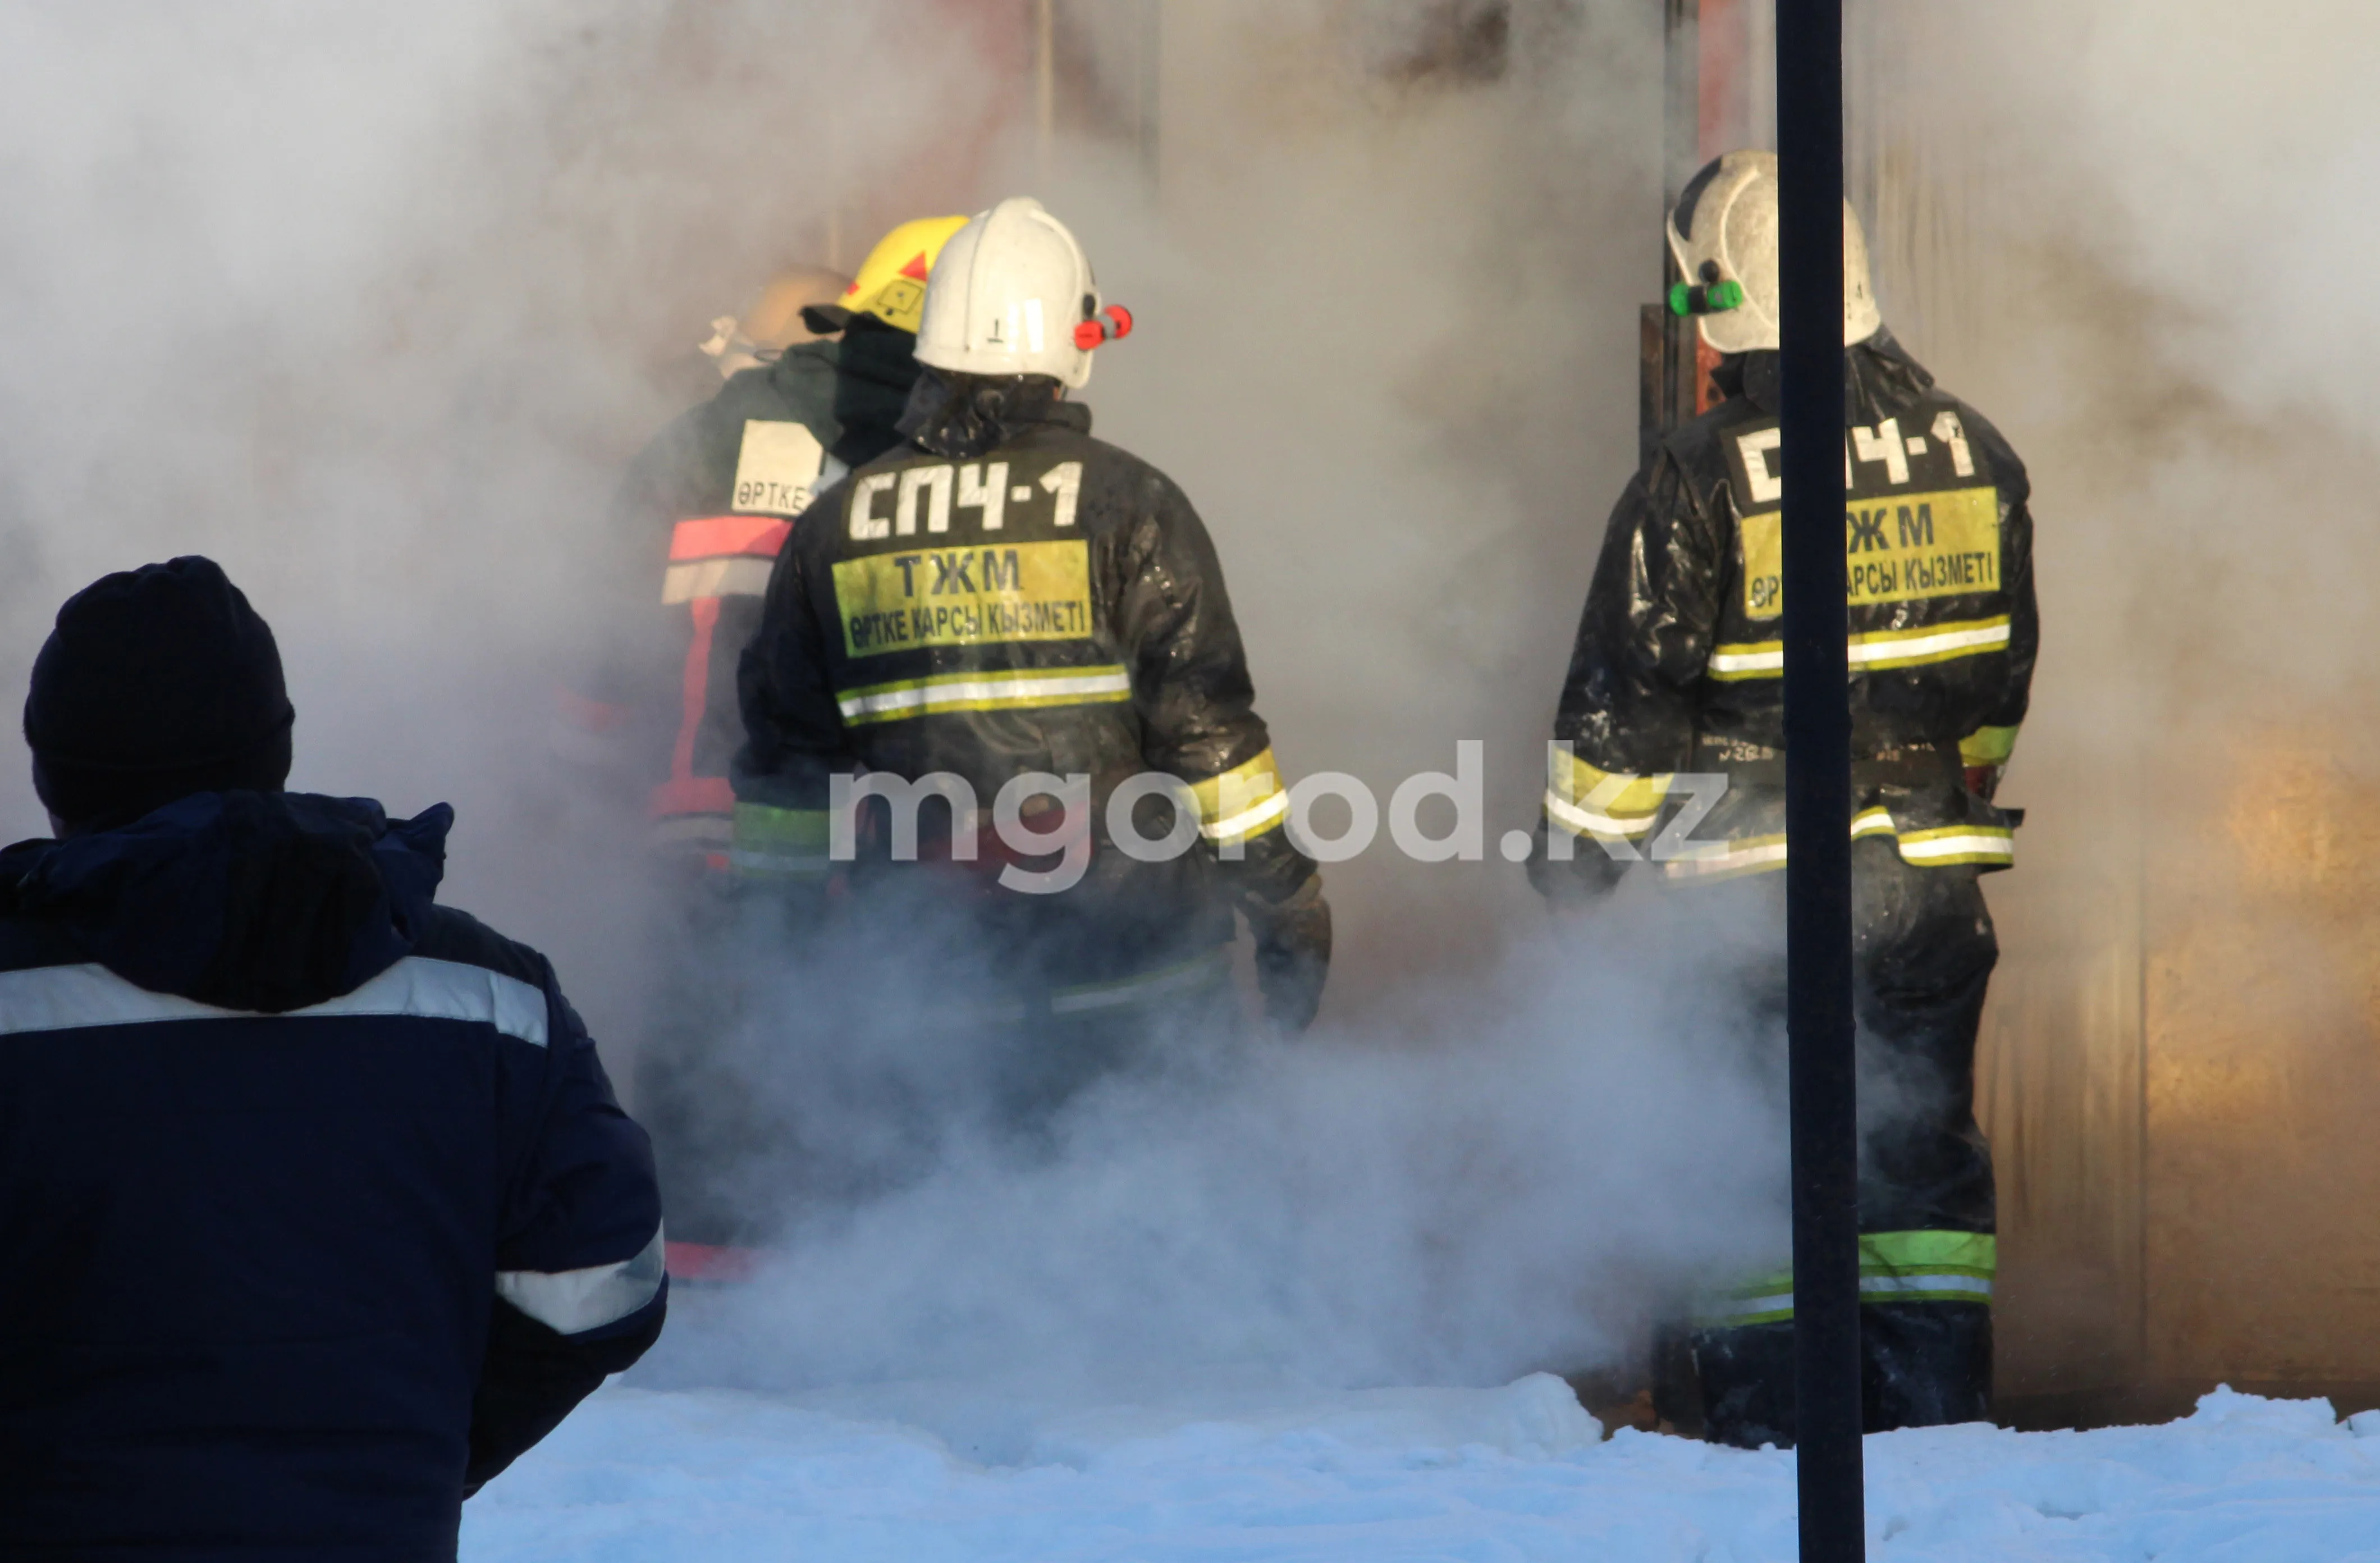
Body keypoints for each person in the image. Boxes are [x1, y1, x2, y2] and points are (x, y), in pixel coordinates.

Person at [0, 557, 665, 1556]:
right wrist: (413, 1451)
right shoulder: (493, 1000)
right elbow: (606, 1281)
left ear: (55, 774)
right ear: (275, 747)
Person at [1531, 150, 2036, 1446]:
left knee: (1748, 1177)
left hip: (1737, 910)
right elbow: (1996, 690)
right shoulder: (1972, 451)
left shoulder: (1697, 476)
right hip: (1924, 893)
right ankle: (1933, 1444)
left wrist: (1575, 873)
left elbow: (1620, 712)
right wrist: (1938, 794)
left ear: (1722, 299)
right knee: (1919, 1177)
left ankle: (1772, 1460)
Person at [733, 195, 1330, 1138]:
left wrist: (785, 973)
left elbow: (785, 783)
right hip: (1139, 994)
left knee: (950, 1254)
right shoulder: (1133, 505)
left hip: (933, 1007)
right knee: (1165, 1258)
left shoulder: (836, 526)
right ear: (1074, 345)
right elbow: (1211, 742)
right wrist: (1289, 903)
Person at [561, 218, 965, 1270]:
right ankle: (850, 1305)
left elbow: (604, 679)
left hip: (701, 825)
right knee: (868, 1069)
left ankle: (703, 1345)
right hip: (879, 830)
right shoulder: (927, 447)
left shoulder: (689, 445)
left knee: (702, 1079)